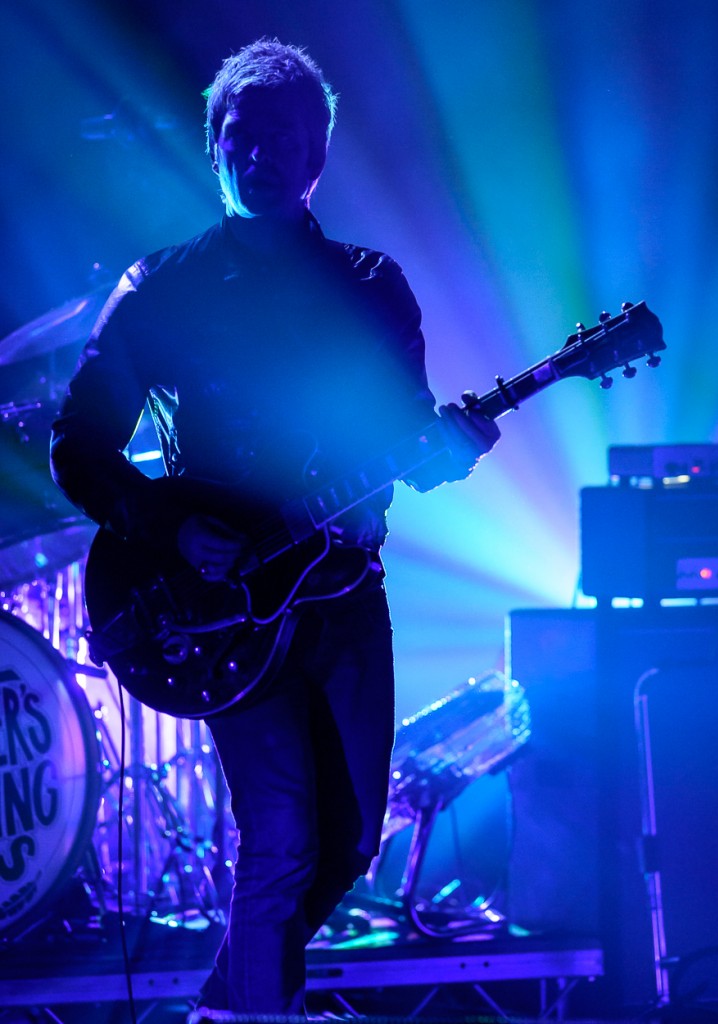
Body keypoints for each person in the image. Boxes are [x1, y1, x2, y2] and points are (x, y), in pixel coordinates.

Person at [50, 37, 500, 1015]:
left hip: (343, 591)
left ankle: (230, 1000)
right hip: (221, 607)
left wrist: (449, 447)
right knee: (282, 836)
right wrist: (168, 529)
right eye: (242, 135)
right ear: (214, 146)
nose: (262, 153)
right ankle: (258, 1008)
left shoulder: (371, 287)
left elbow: (404, 442)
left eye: (283, 138)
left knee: (350, 837)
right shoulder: (162, 289)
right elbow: (80, 446)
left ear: (317, 156)